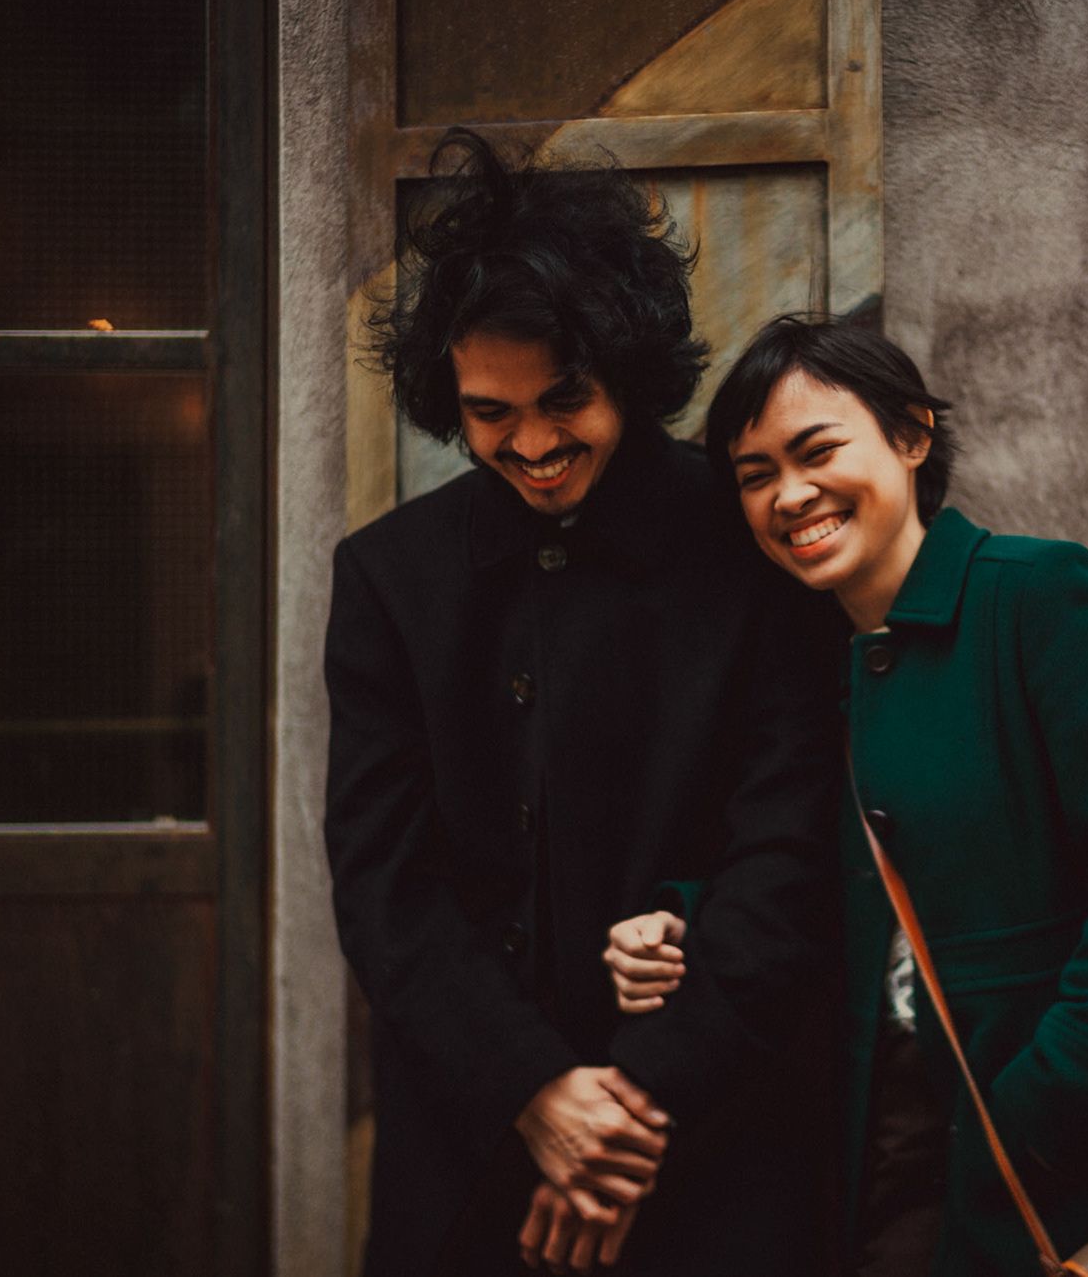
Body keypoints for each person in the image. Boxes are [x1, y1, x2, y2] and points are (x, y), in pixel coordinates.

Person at [605, 316, 1088, 1276]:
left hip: (1075, 1149)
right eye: (755, 474)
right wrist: (687, 926)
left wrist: (1043, 1101)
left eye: (817, 451)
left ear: (911, 436)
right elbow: (827, 888)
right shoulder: (814, 659)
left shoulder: (1034, 597)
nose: (791, 495)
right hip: (894, 1155)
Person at [324, 133, 843, 1276]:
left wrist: (630, 1111)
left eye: (565, 401)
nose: (534, 444)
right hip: (470, 1151)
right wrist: (530, 1090)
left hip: (719, 1143)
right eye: (490, 413)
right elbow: (382, 883)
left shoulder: (748, 540)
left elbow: (792, 850)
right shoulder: (389, 576)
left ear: (629, 370)